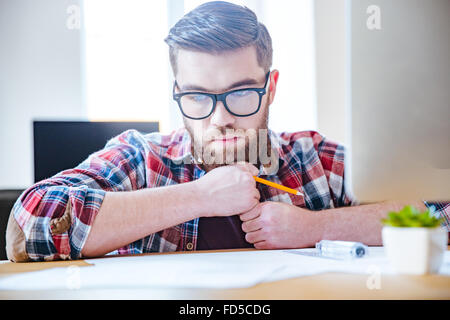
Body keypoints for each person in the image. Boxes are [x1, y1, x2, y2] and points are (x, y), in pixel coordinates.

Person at [6, 1, 448, 262]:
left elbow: (441, 205)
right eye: (198, 96)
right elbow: (28, 227)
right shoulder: (142, 158)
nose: (220, 119)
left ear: (270, 88)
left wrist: (316, 226)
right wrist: (198, 196)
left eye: (239, 93)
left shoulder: (312, 159)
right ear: (177, 92)